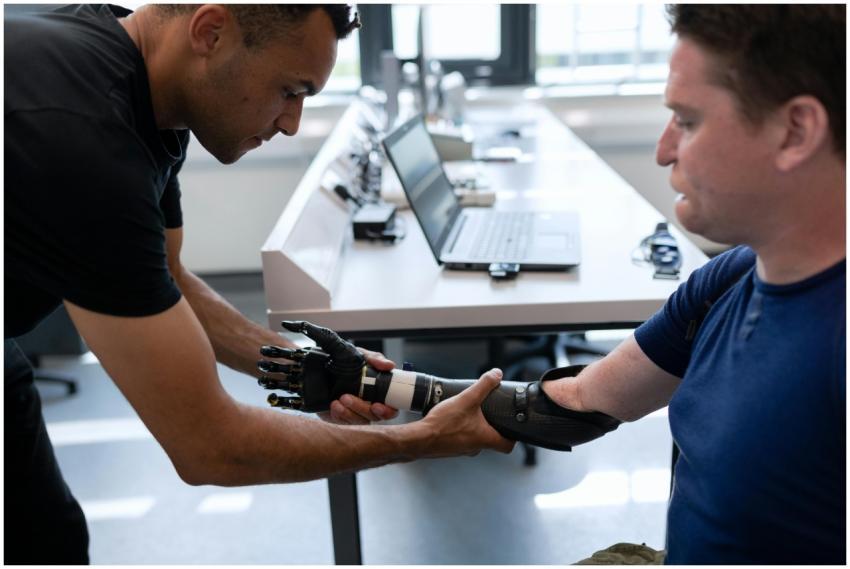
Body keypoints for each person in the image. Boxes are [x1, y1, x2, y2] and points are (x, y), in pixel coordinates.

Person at [334, 4, 846, 564]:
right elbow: (576, 403)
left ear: (795, 131)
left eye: (689, 121)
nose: (663, 150)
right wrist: (381, 384)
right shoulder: (733, 277)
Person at [4, 4, 512, 564]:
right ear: (210, 32)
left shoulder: (141, 80)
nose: (291, 122)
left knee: (48, 540)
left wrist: (305, 369)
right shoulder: (81, 137)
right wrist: (424, 440)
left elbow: (169, 277)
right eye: (289, 90)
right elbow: (210, 447)